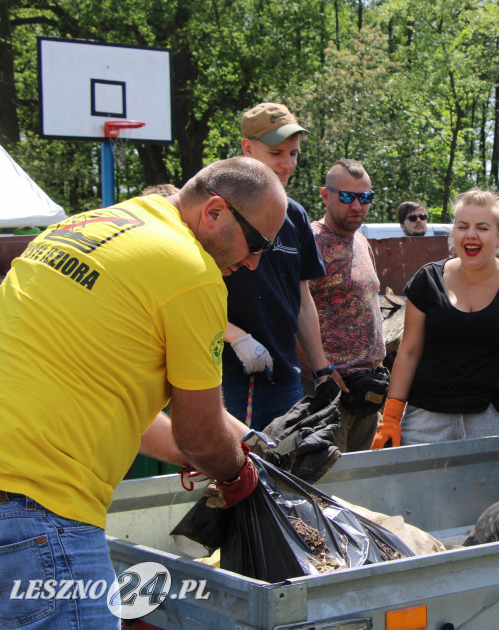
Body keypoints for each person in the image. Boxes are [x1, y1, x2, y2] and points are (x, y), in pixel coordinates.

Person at [0, 157, 283, 627]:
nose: (253, 262)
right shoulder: (191, 272)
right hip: (40, 513)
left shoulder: (90, 225)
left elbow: (124, 406)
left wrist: (243, 442)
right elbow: (199, 434)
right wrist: (236, 472)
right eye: (256, 244)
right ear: (214, 211)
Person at [371, 189, 499, 447]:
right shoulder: (427, 280)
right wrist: (391, 416)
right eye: (462, 226)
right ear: (453, 233)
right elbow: (408, 353)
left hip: (497, 418)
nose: (471, 234)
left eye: (482, 227)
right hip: (427, 420)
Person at [222, 102, 340, 430]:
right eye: (277, 153)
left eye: (294, 153)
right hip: (221, 380)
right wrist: (234, 336)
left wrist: (321, 372)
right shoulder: (215, 213)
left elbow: (301, 300)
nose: (288, 164)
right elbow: (184, 297)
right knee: (228, 476)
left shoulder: (296, 216)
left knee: (288, 473)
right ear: (247, 149)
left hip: (285, 377)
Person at [306, 159, 387, 452]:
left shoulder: (362, 241)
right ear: (325, 196)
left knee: (361, 479)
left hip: (366, 389)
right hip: (327, 390)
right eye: (347, 197)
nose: (357, 205)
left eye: (365, 197)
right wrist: (320, 370)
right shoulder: (310, 241)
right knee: (329, 480)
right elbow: (292, 315)